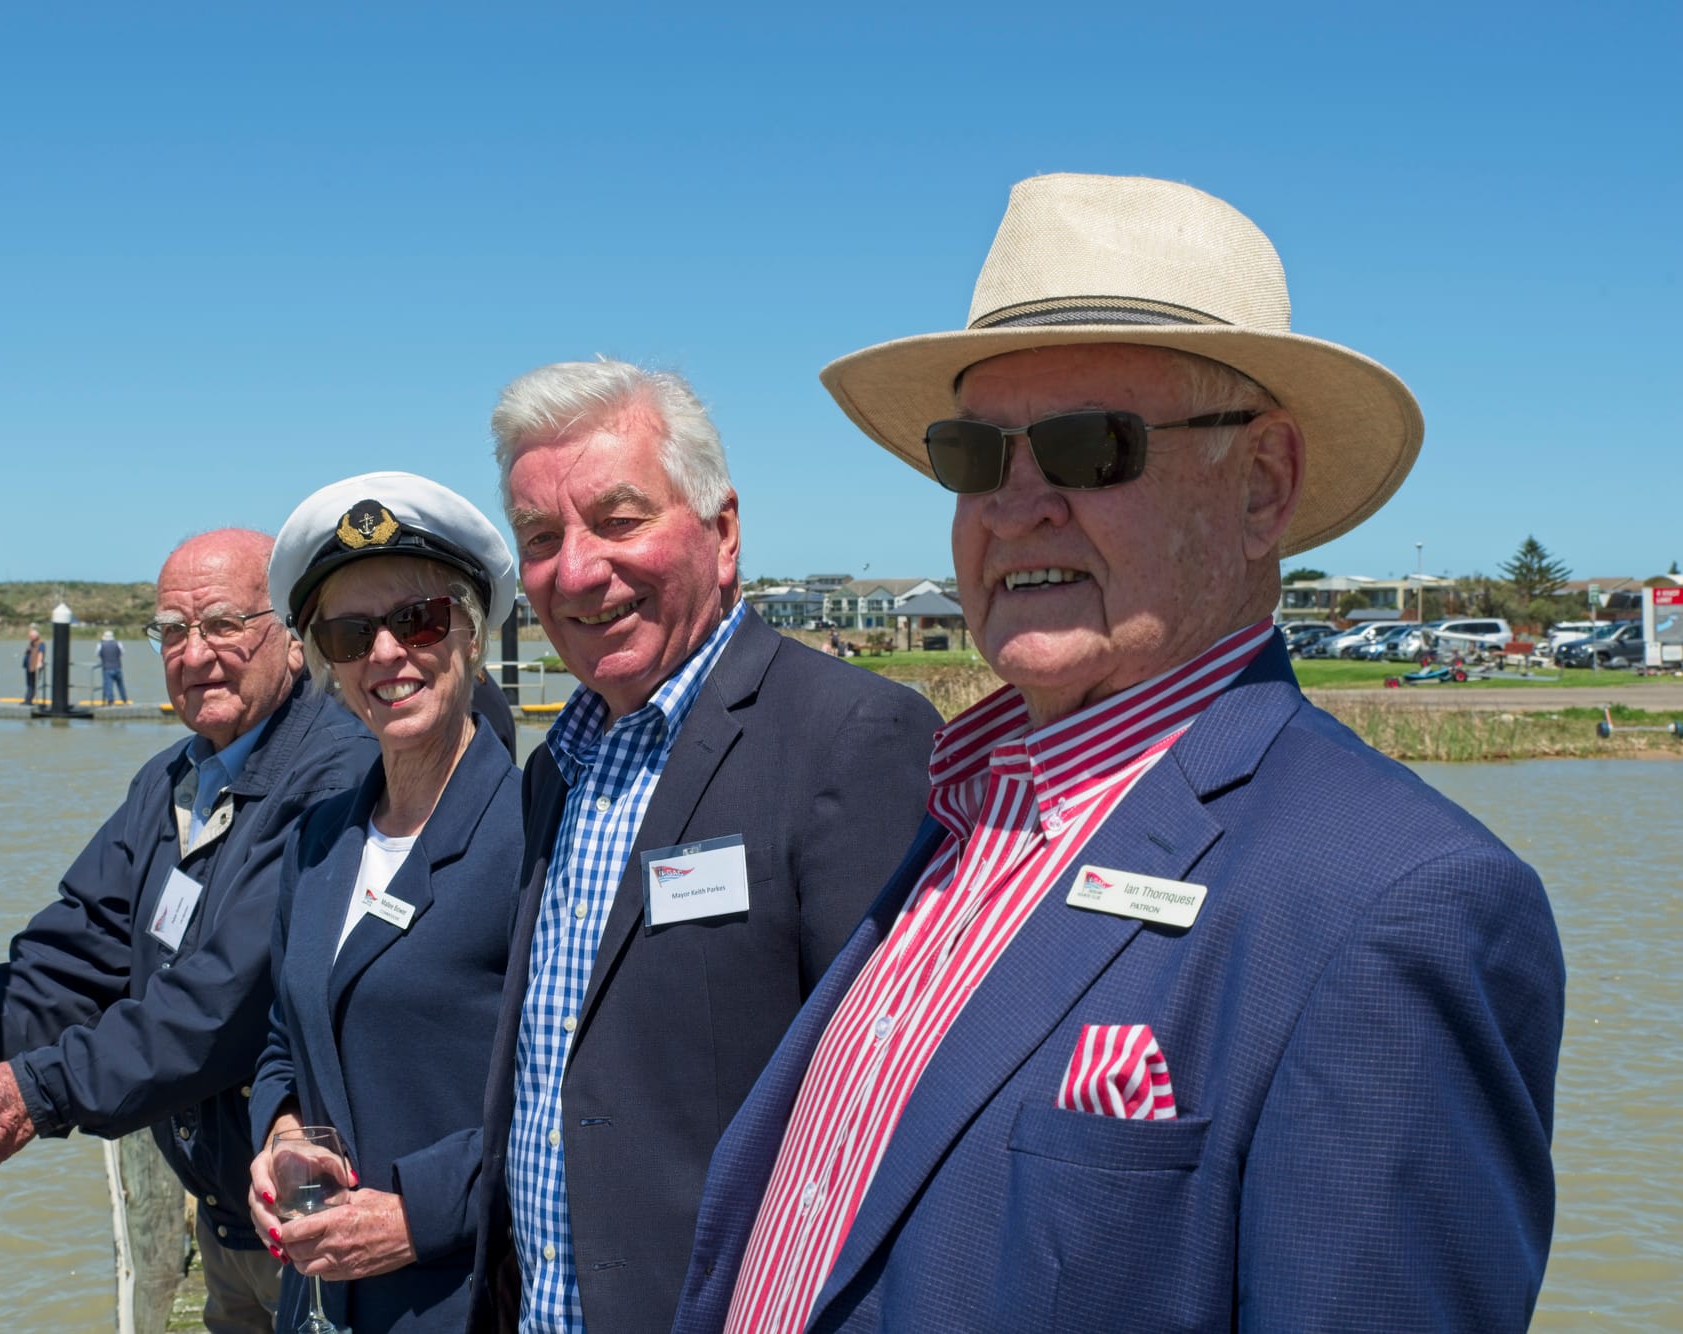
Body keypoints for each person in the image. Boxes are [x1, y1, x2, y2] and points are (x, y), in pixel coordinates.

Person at [673, 174, 1565, 1333]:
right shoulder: (957, 815)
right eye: (973, 457)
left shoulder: (1393, 900)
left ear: (1262, 486)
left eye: (1090, 449)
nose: (1014, 505)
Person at [466, 360, 942, 1334]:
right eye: (541, 538)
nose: (577, 569)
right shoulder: (553, 769)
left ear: (722, 533)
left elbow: (893, 1126)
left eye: (618, 518)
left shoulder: (850, 736)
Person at [0, 529, 377, 1334]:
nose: (195, 655)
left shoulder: (338, 775)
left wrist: (40, 1089)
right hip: (228, 1218)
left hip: (320, 1228)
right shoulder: (169, 778)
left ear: (294, 639)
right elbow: (79, 944)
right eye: (171, 630)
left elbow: (223, 1003)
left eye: (224, 624)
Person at [245, 472, 525, 1334]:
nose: (387, 654)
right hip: (320, 1305)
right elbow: (282, 1038)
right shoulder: (321, 834)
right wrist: (282, 1132)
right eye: (350, 632)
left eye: (418, 619)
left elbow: (584, 1097)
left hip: (462, 1299)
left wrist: (419, 1214)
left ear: (472, 634)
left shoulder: (536, 835)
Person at [99, 627, 129, 704]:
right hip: (118, 667)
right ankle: (124, 700)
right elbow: (122, 652)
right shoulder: (118, 643)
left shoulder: (101, 644)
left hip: (107, 668)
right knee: (120, 685)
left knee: (108, 686)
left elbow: (97, 654)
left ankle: (111, 701)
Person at [23, 626, 45, 704]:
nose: (30, 637)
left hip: (34, 667)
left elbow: (40, 653)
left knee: (32, 684)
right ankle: (27, 699)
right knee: (29, 684)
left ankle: (29, 700)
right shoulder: (31, 643)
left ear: (35, 636)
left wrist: (39, 663)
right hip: (28, 667)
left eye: (31, 636)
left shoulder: (40, 643)